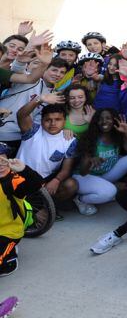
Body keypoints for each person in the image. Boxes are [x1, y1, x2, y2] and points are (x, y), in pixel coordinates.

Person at [16, 99, 77, 205]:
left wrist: (56, 180)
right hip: (20, 177)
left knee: (71, 185)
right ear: (41, 120)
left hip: (44, 181)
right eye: (48, 120)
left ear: (64, 121)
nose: (53, 123)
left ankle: (47, 207)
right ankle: (37, 210)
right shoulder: (33, 131)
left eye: (58, 119)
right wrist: (40, 99)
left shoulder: (70, 140)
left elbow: (66, 169)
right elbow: (21, 115)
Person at [72, 110, 127, 215]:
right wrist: (90, 161)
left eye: (108, 118)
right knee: (110, 192)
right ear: (96, 122)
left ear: (114, 120)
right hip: (84, 177)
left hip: (103, 174)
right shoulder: (90, 138)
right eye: (100, 119)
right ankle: (81, 199)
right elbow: (82, 172)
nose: (104, 121)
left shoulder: (117, 136)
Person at [0, 142, 43, 277]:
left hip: (8, 231)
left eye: (3, 160)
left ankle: (10, 256)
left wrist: (24, 169)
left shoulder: (13, 181)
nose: (1, 165)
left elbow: (37, 183)